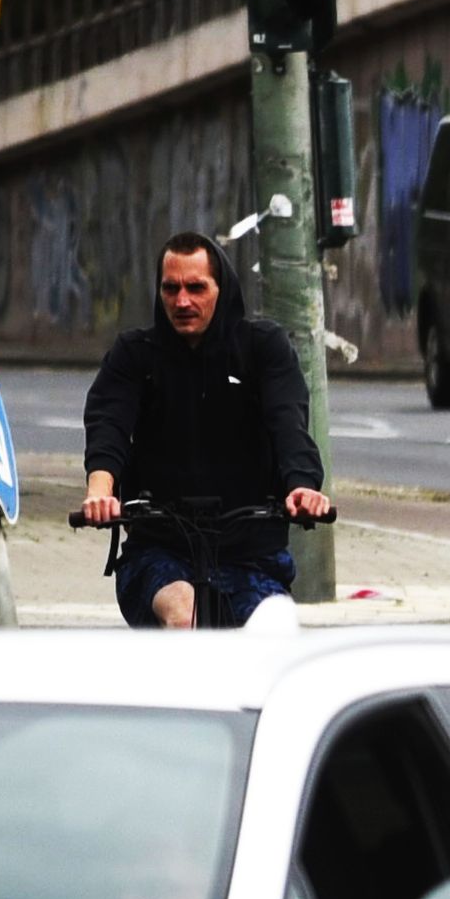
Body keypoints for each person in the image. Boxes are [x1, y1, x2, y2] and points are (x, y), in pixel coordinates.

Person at [76, 231, 331, 628]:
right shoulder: (134, 354)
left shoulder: (263, 348)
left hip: (251, 555)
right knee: (183, 615)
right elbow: (109, 424)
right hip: (160, 552)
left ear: (220, 288)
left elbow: (288, 424)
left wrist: (301, 486)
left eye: (195, 288)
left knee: (272, 631)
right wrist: (100, 491)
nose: (182, 301)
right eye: (171, 288)